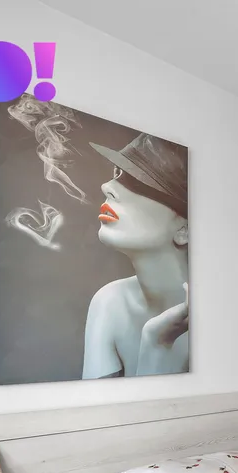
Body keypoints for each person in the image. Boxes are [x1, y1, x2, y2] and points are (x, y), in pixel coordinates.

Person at [82, 133, 190, 378]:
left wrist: (158, 345)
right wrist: (155, 346)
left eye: (139, 182)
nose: (107, 187)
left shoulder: (221, 315)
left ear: (184, 230)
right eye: (117, 173)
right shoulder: (111, 303)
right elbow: (99, 403)